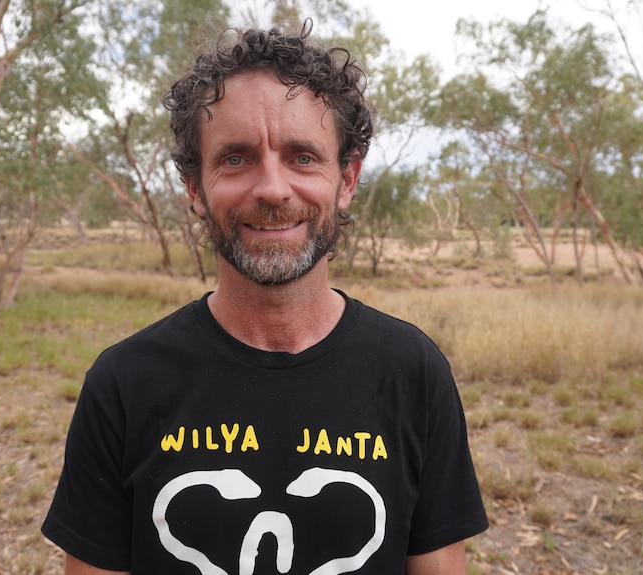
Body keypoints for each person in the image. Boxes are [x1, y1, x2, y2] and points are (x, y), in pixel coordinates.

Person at [42, 21, 488, 575]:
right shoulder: (124, 384)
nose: (273, 189)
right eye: (235, 158)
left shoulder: (413, 373)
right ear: (194, 189)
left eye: (303, 156)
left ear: (346, 180)